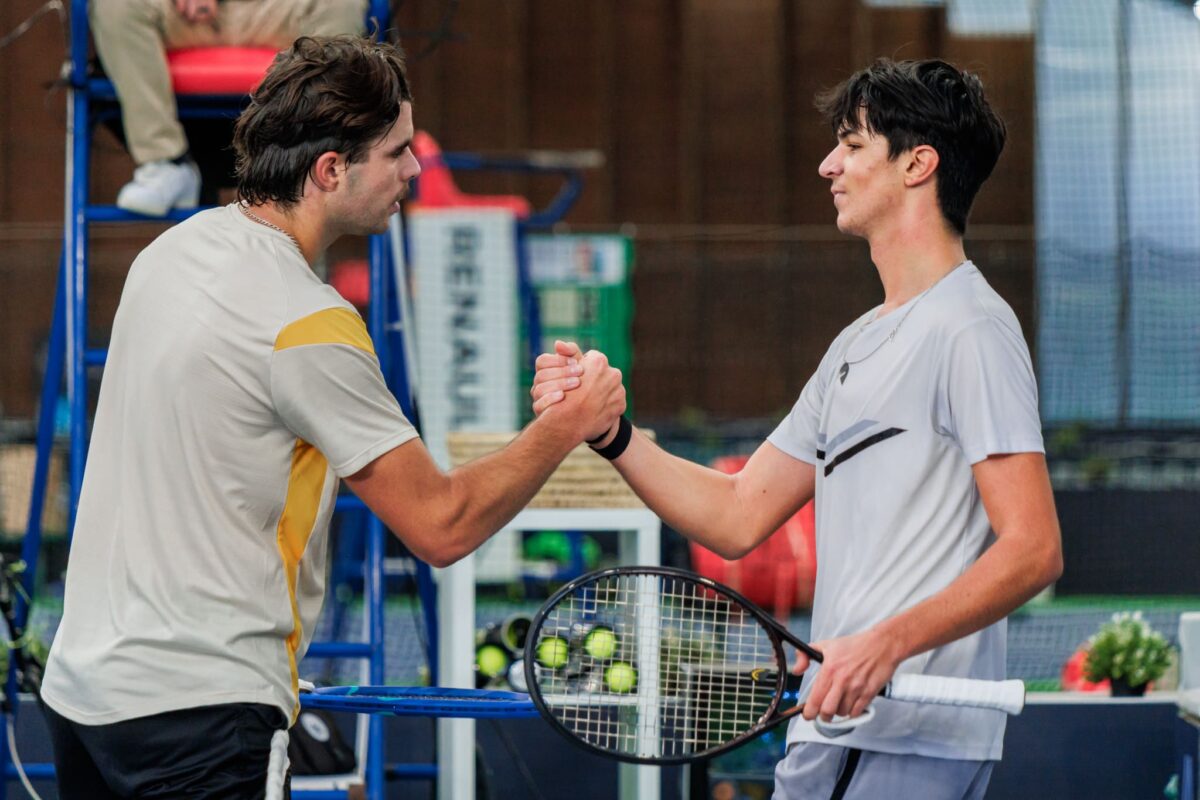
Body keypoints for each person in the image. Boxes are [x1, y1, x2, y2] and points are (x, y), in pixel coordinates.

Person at [40, 35, 625, 799]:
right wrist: (566, 426)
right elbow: (441, 525)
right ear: (329, 171)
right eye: (398, 152)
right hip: (198, 714)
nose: (416, 169)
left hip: (81, 696)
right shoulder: (308, 323)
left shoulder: (170, 254)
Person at [532, 58, 1062, 799]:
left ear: (918, 164)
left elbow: (1033, 550)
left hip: (904, 733)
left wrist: (885, 646)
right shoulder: (853, 346)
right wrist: (614, 433)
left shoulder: (971, 328)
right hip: (835, 733)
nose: (827, 165)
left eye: (851, 144)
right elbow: (736, 513)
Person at [91, 0, 369, 215]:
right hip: (186, 13)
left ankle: (308, 171)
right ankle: (167, 162)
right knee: (115, 6)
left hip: (278, 10)